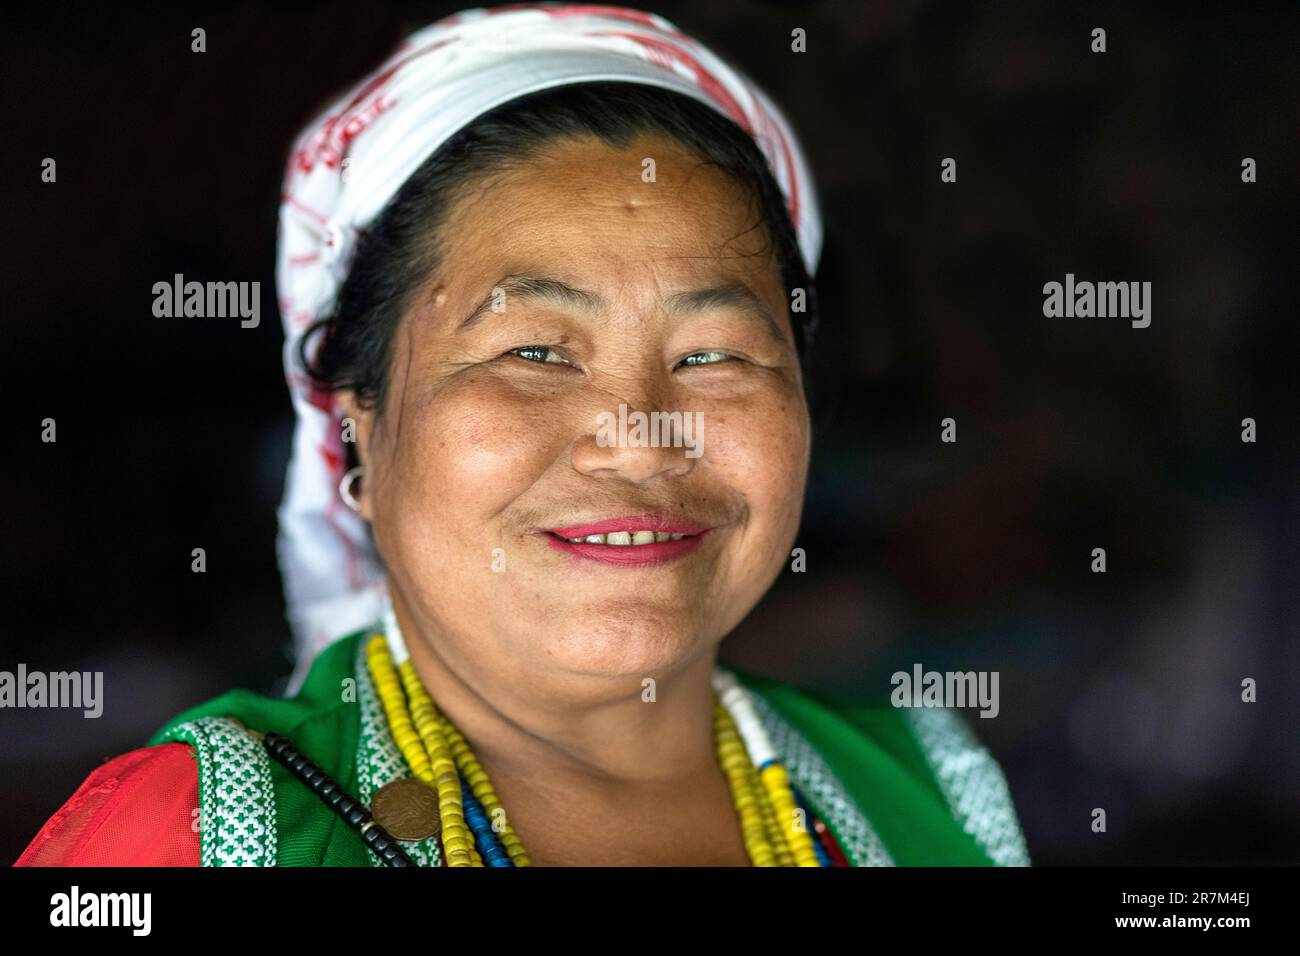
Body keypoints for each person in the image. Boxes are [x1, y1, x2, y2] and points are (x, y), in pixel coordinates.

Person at [16, 3, 1029, 867]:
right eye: (536, 351)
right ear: (358, 420)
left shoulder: (931, 794)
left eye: (714, 354)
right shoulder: (199, 830)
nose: (637, 438)